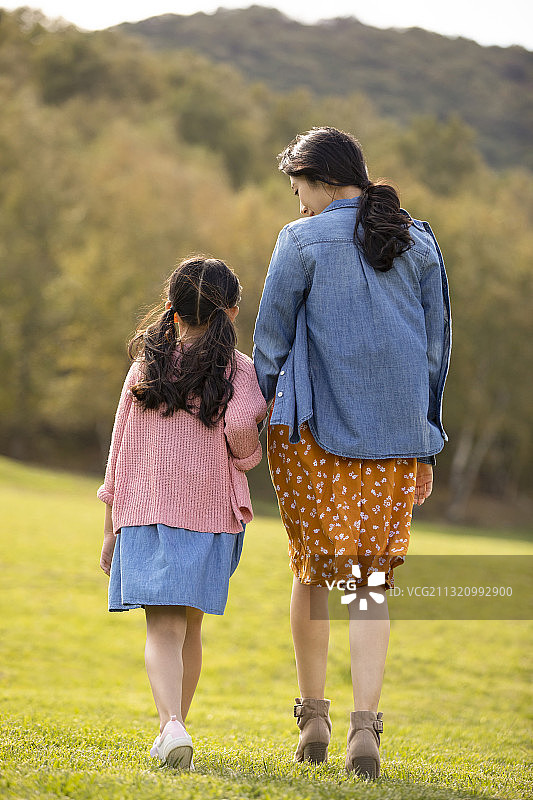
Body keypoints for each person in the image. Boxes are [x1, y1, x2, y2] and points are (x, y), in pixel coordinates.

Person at [253, 126, 451, 779]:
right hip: (395, 435)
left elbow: (272, 341)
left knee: (311, 571)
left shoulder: (300, 240)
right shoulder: (418, 240)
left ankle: (313, 716)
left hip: (311, 433)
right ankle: (364, 729)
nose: (297, 203)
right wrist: (426, 440)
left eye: (297, 189)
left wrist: (246, 420)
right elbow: (434, 353)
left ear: (318, 178)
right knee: (368, 580)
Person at [98, 256, 267, 769]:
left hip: (147, 514)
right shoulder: (239, 371)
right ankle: (177, 730)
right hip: (211, 520)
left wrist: (109, 527)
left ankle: (171, 726)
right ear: (232, 312)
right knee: (190, 628)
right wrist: (247, 455)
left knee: (161, 631)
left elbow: (119, 449)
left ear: (170, 308)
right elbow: (241, 433)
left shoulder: (145, 365)